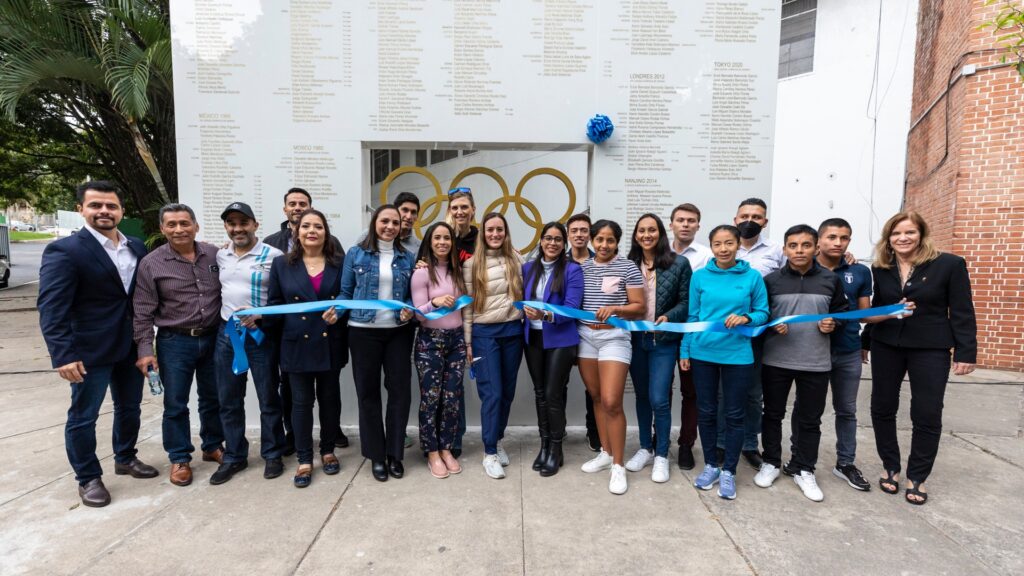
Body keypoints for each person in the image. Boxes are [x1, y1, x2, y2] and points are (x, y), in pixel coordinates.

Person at [38, 181, 157, 507]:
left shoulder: (135, 246)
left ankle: (125, 457)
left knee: (130, 407)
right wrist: (63, 354)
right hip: (89, 351)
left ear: (121, 210)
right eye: (96, 205)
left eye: (111, 206)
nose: (104, 211)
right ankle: (88, 477)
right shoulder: (66, 251)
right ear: (81, 210)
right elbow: (51, 307)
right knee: (83, 415)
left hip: (130, 346)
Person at [866, 211, 976, 505]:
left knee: (927, 412)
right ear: (888, 238)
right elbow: (878, 306)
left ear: (921, 235)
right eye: (896, 233)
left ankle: (918, 476)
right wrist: (865, 341)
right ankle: (891, 466)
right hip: (887, 344)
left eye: (910, 232)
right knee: (882, 407)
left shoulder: (949, 265)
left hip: (931, 347)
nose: (903, 238)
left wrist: (966, 352)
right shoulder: (881, 267)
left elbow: (962, 309)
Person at [754, 224, 849, 503]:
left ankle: (803, 467)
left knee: (809, 419)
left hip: (816, 361)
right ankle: (771, 461)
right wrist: (772, 326)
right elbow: (761, 315)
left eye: (805, 245)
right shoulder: (771, 281)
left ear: (816, 248)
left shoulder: (831, 280)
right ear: (784, 250)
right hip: (776, 360)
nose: (799, 251)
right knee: (772, 414)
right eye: (793, 246)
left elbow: (843, 314)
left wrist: (834, 323)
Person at [134, 203, 225, 487]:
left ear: (196, 226)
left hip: (213, 337)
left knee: (213, 398)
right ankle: (179, 457)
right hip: (175, 342)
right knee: (176, 403)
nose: (179, 229)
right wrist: (145, 350)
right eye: (171, 224)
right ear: (162, 229)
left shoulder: (214, 254)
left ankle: (212, 446)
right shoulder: (151, 263)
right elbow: (142, 311)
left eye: (184, 223)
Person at [782, 218, 873, 491]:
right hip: (810, 351)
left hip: (846, 350)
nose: (838, 243)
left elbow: (864, 313)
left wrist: (895, 311)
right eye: (832, 237)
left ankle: (845, 462)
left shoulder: (859, 271)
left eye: (844, 238)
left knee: (846, 409)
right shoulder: (803, 268)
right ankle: (798, 459)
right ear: (818, 241)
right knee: (806, 409)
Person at [679, 225, 768, 500]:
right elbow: (693, 318)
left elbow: (763, 312)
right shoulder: (700, 277)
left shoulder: (752, 276)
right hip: (703, 353)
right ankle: (710, 466)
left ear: (738, 244)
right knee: (706, 411)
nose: (724, 249)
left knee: (734, 414)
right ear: (712, 247)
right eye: (718, 244)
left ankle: (729, 470)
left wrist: (746, 318)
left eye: (729, 243)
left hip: (738, 356)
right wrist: (685, 350)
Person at [263, 187, 348, 453]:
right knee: (300, 404)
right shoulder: (281, 265)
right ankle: (304, 457)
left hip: (329, 341)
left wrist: (339, 312)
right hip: (295, 344)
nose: (312, 231)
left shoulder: (339, 262)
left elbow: (347, 296)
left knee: (330, 400)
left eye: (318, 227)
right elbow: (275, 303)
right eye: (306, 226)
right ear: (297, 232)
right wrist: (259, 318)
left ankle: (327, 451)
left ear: (326, 232)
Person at [210, 202, 287, 485]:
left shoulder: (274, 256)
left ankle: (272, 453)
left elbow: (281, 297)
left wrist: (262, 316)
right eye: (231, 223)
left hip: (260, 336)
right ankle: (234, 456)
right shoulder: (220, 255)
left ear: (255, 224)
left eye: (243, 222)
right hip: (227, 336)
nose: (237, 228)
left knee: (268, 397)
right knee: (229, 399)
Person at [342, 204, 417, 482]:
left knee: (400, 393)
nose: (390, 226)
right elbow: (345, 292)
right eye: (385, 221)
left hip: (398, 331)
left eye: (395, 223)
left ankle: (395, 453)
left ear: (401, 227)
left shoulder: (407, 257)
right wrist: (335, 312)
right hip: (362, 332)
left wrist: (409, 308)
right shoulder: (356, 253)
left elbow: (413, 294)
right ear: (375, 222)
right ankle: (376, 455)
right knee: (368, 393)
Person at [577, 220, 645, 495]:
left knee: (612, 401)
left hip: (615, 339)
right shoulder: (581, 269)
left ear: (618, 242)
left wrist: (615, 309)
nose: (604, 245)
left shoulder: (628, 267)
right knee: (595, 397)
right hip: (585, 338)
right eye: (600, 239)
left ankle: (619, 465)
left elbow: (639, 307)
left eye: (610, 240)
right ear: (592, 241)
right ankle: (605, 453)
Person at [625, 213, 691, 484]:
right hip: (636, 340)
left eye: (652, 230)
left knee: (659, 399)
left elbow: (687, 302)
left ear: (661, 233)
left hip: (664, 341)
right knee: (641, 396)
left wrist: (670, 316)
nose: (646, 235)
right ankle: (645, 448)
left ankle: (662, 454)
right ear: (636, 235)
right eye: (641, 231)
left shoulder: (679, 263)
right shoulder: (627, 264)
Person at [462, 212, 525, 480]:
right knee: (493, 393)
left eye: (500, 230)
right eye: (490, 230)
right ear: (483, 233)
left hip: (513, 331)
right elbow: (466, 309)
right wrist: (467, 342)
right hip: (484, 334)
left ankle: (497, 440)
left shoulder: (517, 260)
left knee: (508, 392)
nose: (495, 234)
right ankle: (488, 453)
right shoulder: (471, 265)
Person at [522, 222, 584, 477]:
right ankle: (544, 444)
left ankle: (557, 448)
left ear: (564, 243)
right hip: (533, 338)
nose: (552, 243)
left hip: (561, 339)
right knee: (539, 393)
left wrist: (545, 315)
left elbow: (571, 307)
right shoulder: (527, 268)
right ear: (541, 240)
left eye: (558, 239)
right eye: (548, 238)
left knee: (552, 394)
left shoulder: (572, 270)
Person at [728, 197, 785, 471]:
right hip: (723, 331)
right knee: (721, 392)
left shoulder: (776, 251)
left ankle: (750, 444)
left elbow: (795, 276)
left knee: (753, 393)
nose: (749, 220)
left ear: (765, 221)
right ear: (735, 219)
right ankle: (722, 441)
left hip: (760, 332)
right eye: (744, 215)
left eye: (757, 216)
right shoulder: (723, 247)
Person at [411, 222, 467, 479]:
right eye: (438, 238)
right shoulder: (422, 273)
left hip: (456, 341)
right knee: (431, 399)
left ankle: (446, 448)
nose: (443, 242)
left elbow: (465, 311)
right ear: (430, 242)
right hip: (429, 341)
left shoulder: (458, 272)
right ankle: (431, 451)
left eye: (447, 238)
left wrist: (467, 343)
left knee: (452, 398)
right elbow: (417, 315)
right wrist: (433, 302)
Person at [668, 203, 711, 470]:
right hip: (661, 331)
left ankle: (686, 444)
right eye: (680, 220)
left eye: (691, 220)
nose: (685, 224)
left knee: (691, 393)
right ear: (671, 224)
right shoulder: (657, 253)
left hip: (693, 333)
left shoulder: (707, 256)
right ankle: (657, 439)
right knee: (659, 391)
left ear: (698, 225)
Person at [566, 213, 602, 453]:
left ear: (590, 234)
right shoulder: (558, 259)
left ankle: (595, 431)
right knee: (559, 384)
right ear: (568, 234)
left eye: (584, 230)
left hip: (593, 331)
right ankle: (558, 432)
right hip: (565, 331)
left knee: (594, 388)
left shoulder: (600, 260)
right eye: (574, 230)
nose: (579, 234)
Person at [447, 187, 478, 458]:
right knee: (441, 384)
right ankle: (441, 438)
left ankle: (456, 438)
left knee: (457, 383)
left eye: (464, 207)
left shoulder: (482, 239)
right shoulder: (441, 237)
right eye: (455, 207)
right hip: (442, 318)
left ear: (473, 210)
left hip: (472, 318)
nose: (460, 212)